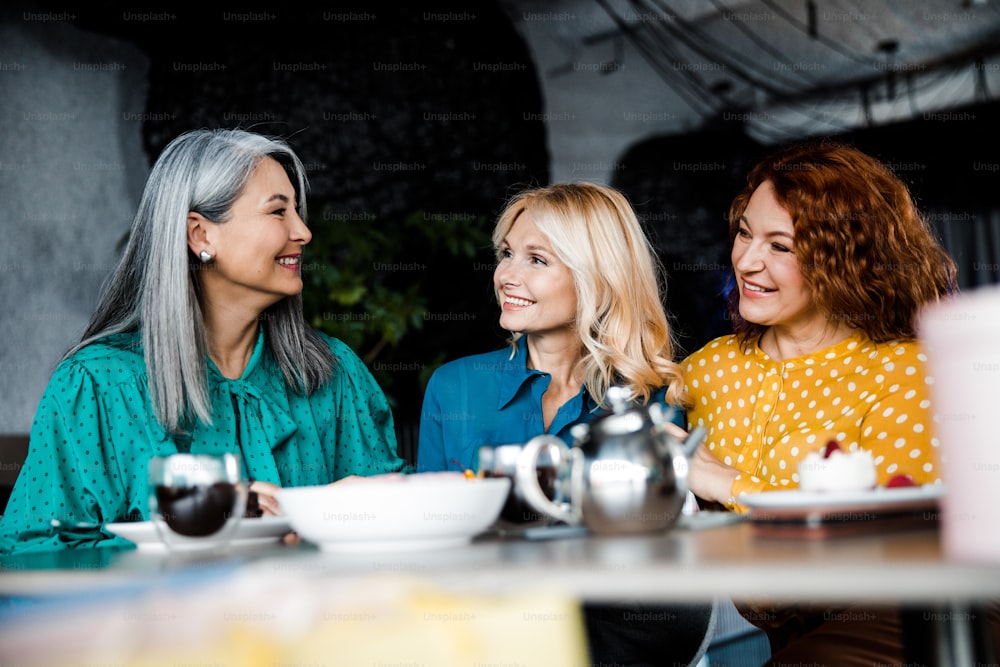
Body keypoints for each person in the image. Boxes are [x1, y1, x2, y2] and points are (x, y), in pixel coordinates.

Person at [0, 128, 410, 554]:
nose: (303, 232)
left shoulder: (333, 374)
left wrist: (329, 515)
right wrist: (206, 526)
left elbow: (401, 534)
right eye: (277, 212)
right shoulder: (94, 388)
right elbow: (34, 555)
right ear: (200, 235)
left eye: (297, 212)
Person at [682, 140, 968, 664]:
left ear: (846, 259)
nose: (746, 260)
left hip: (912, 616)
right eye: (745, 232)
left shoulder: (904, 369)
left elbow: (892, 541)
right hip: (792, 642)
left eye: (780, 246)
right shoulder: (707, 371)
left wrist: (726, 483)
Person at [418, 182, 716, 667]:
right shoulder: (455, 387)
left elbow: (667, 564)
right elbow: (429, 539)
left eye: (537, 260)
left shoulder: (655, 397)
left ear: (597, 277)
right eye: (507, 253)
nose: (506, 275)